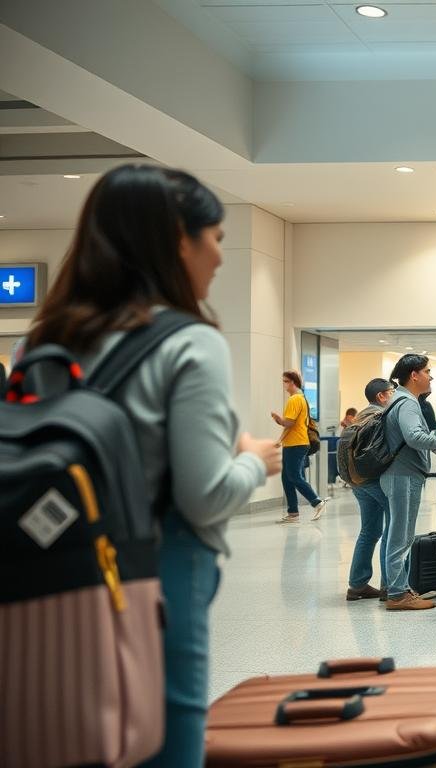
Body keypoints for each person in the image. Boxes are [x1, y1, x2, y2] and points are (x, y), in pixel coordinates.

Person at [23, 164, 281, 766]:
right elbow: (203, 495)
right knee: (166, 737)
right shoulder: (189, 341)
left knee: (70, 736)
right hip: (157, 563)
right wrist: (254, 461)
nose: (220, 256)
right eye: (214, 237)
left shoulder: (42, 341)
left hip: (50, 560)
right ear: (176, 242)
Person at [382, 354, 436, 610]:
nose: (431, 376)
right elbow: (414, 436)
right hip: (402, 476)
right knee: (401, 536)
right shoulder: (406, 402)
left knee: (400, 534)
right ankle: (397, 594)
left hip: (402, 474)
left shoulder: (402, 399)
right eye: (427, 371)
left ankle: (400, 589)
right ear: (414, 375)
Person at [345, 378, 395, 601]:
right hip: (375, 480)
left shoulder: (360, 416)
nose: (394, 395)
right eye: (391, 392)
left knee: (370, 531)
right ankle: (390, 585)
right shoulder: (379, 416)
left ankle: (357, 585)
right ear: (381, 396)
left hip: (357, 481)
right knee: (394, 527)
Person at [271, 370, 326, 522]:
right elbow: (290, 426)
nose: (284, 384)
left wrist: (278, 419)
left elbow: (289, 423)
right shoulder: (301, 398)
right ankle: (293, 512)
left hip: (296, 443)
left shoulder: (294, 400)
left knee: (294, 476)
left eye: (285, 381)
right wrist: (280, 439)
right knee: (287, 478)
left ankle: (317, 502)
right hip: (293, 443)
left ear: (292, 382)